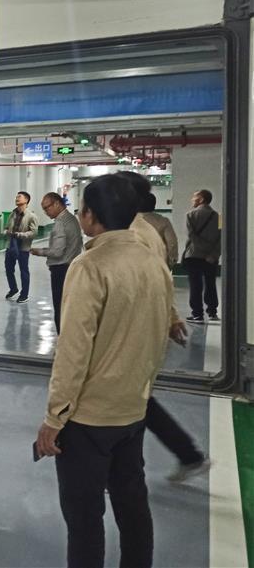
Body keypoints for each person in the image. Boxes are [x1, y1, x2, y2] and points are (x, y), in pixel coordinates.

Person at [36, 174, 173, 568]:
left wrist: (54, 418)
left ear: (91, 216)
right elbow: (158, 336)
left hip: (88, 419)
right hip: (132, 410)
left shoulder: (90, 266)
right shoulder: (154, 261)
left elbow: (73, 351)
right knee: (132, 505)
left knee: (84, 520)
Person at [117, 171, 210, 482]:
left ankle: (180, 457)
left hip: (135, 328)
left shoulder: (135, 233)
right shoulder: (142, 229)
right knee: (135, 398)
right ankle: (184, 455)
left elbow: (150, 280)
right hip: (145, 325)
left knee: (130, 399)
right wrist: (170, 315)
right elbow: (161, 276)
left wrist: (168, 315)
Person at [30, 192, 83, 334]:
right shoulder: (72, 219)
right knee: (68, 306)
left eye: (47, 208)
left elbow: (57, 251)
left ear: (57, 204)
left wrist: (39, 251)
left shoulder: (60, 223)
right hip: (71, 267)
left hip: (61, 270)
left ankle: (62, 338)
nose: (46, 212)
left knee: (60, 307)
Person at [183, 189, 221, 323]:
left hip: (194, 255)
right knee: (211, 284)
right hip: (211, 257)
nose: (192, 200)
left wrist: (202, 250)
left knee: (195, 285)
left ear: (201, 199)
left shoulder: (190, 215)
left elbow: (192, 236)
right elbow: (221, 238)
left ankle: (197, 314)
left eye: (195, 197)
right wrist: (213, 254)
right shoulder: (219, 217)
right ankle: (212, 312)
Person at [4, 191, 38, 303]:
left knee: (24, 271)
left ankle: (24, 295)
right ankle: (13, 289)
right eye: (16, 197)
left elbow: (34, 232)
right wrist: (6, 231)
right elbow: (7, 227)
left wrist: (20, 235)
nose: (17, 198)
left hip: (23, 247)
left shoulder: (31, 216)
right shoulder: (12, 214)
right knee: (9, 269)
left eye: (19, 197)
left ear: (26, 200)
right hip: (11, 245)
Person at [140, 193, 179, 268]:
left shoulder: (129, 221)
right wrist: (172, 260)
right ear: (154, 205)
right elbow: (172, 242)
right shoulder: (163, 221)